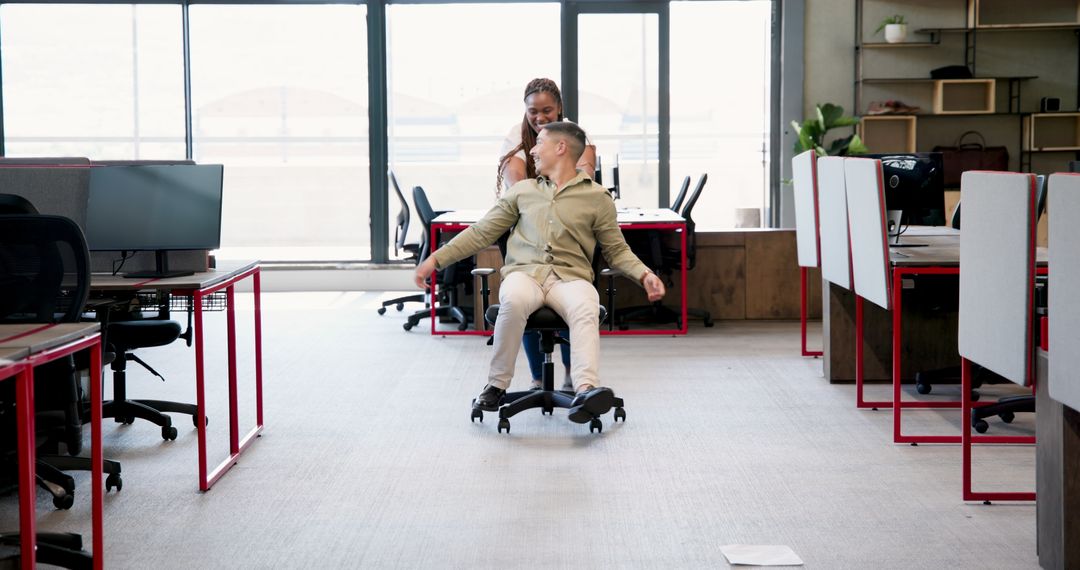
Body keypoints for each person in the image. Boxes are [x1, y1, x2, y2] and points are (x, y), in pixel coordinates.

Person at [415, 121, 665, 423]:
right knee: (514, 301)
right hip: (525, 275)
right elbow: (481, 232)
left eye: (540, 143)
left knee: (586, 306)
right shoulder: (523, 191)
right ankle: (496, 385)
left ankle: (586, 392)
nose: (532, 150)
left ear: (561, 148)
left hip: (571, 278)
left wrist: (644, 274)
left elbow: (617, 249)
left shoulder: (597, 197)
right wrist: (435, 260)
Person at [497, 78, 596, 391]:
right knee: (523, 297)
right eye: (533, 111)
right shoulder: (516, 136)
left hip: (566, 231)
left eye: (547, 111)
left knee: (570, 294)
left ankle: (570, 373)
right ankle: (538, 377)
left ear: (560, 108)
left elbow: (586, 175)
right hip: (526, 231)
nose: (539, 117)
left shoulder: (575, 135)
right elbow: (515, 183)